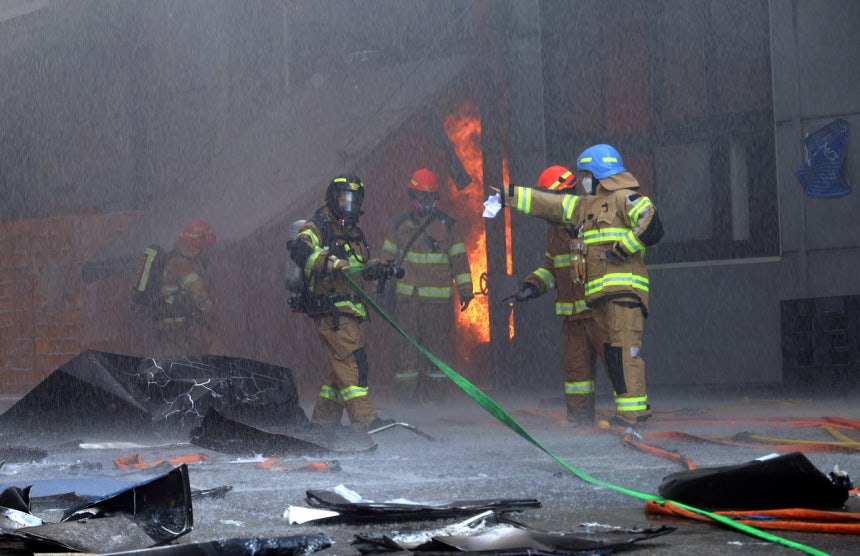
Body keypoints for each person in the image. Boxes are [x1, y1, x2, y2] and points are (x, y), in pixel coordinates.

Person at [497, 145, 663, 426]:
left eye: (586, 174)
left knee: (621, 357)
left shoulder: (619, 199)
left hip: (615, 296)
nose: (583, 180)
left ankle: (632, 416)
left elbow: (652, 224)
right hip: (589, 304)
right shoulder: (580, 212)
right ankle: (584, 419)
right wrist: (508, 195)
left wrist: (624, 247)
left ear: (598, 173)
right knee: (588, 367)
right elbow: (549, 225)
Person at [290, 173, 392, 430]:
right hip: (331, 310)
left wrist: (376, 268)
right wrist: (331, 262)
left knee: (340, 369)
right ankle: (366, 421)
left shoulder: (353, 233)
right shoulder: (319, 225)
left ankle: (323, 423)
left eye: (354, 200)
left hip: (350, 312)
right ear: (332, 198)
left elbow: (355, 269)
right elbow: (301, 249)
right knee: (353, 363)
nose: (349, 205)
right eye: (344, 198)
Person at [513, 166, 604, 427]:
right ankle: (579, 419)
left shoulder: (591, 218)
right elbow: (553, 266)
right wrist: (533, 286)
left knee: (616, 365)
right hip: (572, 317)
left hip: (598, 311)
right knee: (576, 372)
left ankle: (629, 420)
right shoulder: (554, 230)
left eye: (547, 198)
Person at [381, 168, 473, 403]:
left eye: (429, 197)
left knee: (437, 354)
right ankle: (408, 402)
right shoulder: (400, 225)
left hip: (437, 305)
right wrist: (380, 290)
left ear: (436, 197)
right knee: (406, 355)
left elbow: (459, 260)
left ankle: (436, 402)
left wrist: (466, 291)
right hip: (407, 304)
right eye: (421, 196)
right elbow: (386, 261)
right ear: (412, 196)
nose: (425, 202)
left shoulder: (447, 226)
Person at [157, 219, 224, 355]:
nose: (208, 253)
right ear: (199, 246)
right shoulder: (181, 265)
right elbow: (198, 293)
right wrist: (213, 312)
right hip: (178, 326)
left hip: (175, 326)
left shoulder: (177, 260)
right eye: (207, 248)